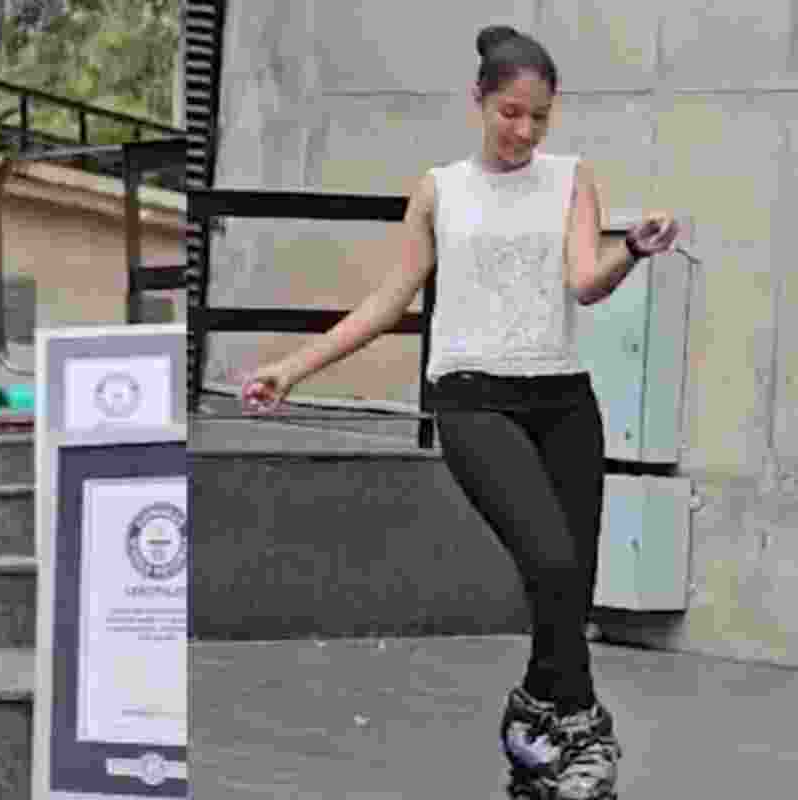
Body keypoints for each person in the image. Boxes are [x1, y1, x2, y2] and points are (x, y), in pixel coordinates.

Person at [241, 25, 680, 800]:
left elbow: (585, 281)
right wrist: (292, 366)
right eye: (510, 112)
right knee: (548, 560)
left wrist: (633, 252)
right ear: (478, 100)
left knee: (568, 590)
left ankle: (531, 724)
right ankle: (584, 733)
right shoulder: (441, 189)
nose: (524, 131)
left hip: (563, 401)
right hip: (472, 397)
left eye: (540, 117)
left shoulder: (572, 179)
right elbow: (387, 302)